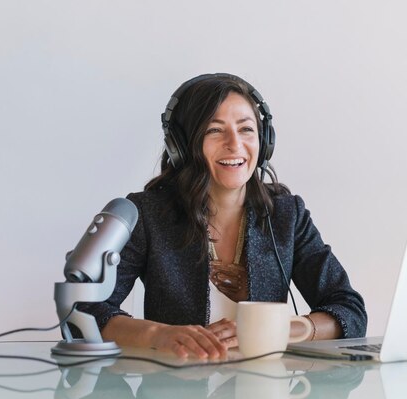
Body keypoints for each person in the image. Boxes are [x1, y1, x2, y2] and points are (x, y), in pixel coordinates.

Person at [78, 73, 367, 359]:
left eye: (246, 129)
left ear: (264, 141)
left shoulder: (286, 214)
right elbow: (85, 311)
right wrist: (158, 335)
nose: (234, 144)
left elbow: (349, 312)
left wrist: (285, 328)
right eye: (214, 130)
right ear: (182, 146)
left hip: (263, 394)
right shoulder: (147, 214)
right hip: (172, 396)